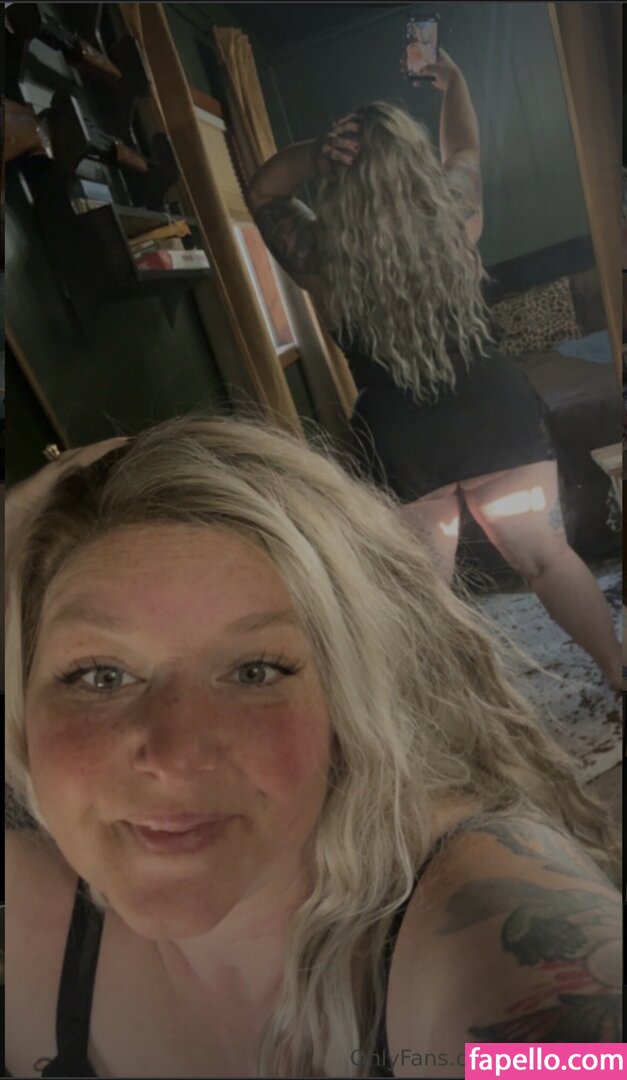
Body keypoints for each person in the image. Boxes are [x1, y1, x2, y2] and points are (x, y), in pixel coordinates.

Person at [5, 416, 621, 1079]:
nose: (175, 756)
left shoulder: (478, 926)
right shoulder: (29, 905)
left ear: (352, 695)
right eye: (101, 676)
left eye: (254, 672)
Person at [246, 49, 622, 692]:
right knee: (543, 555)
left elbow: (262, 191)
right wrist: (454, 83)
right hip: (494, 411)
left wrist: (315, 154)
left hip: (404, 439)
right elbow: (465, 149)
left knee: (424, 595)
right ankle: (618, 669)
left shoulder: (322, 255)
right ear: (413, 164)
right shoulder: (455, 217)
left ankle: (452, 725)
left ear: (339, 180)